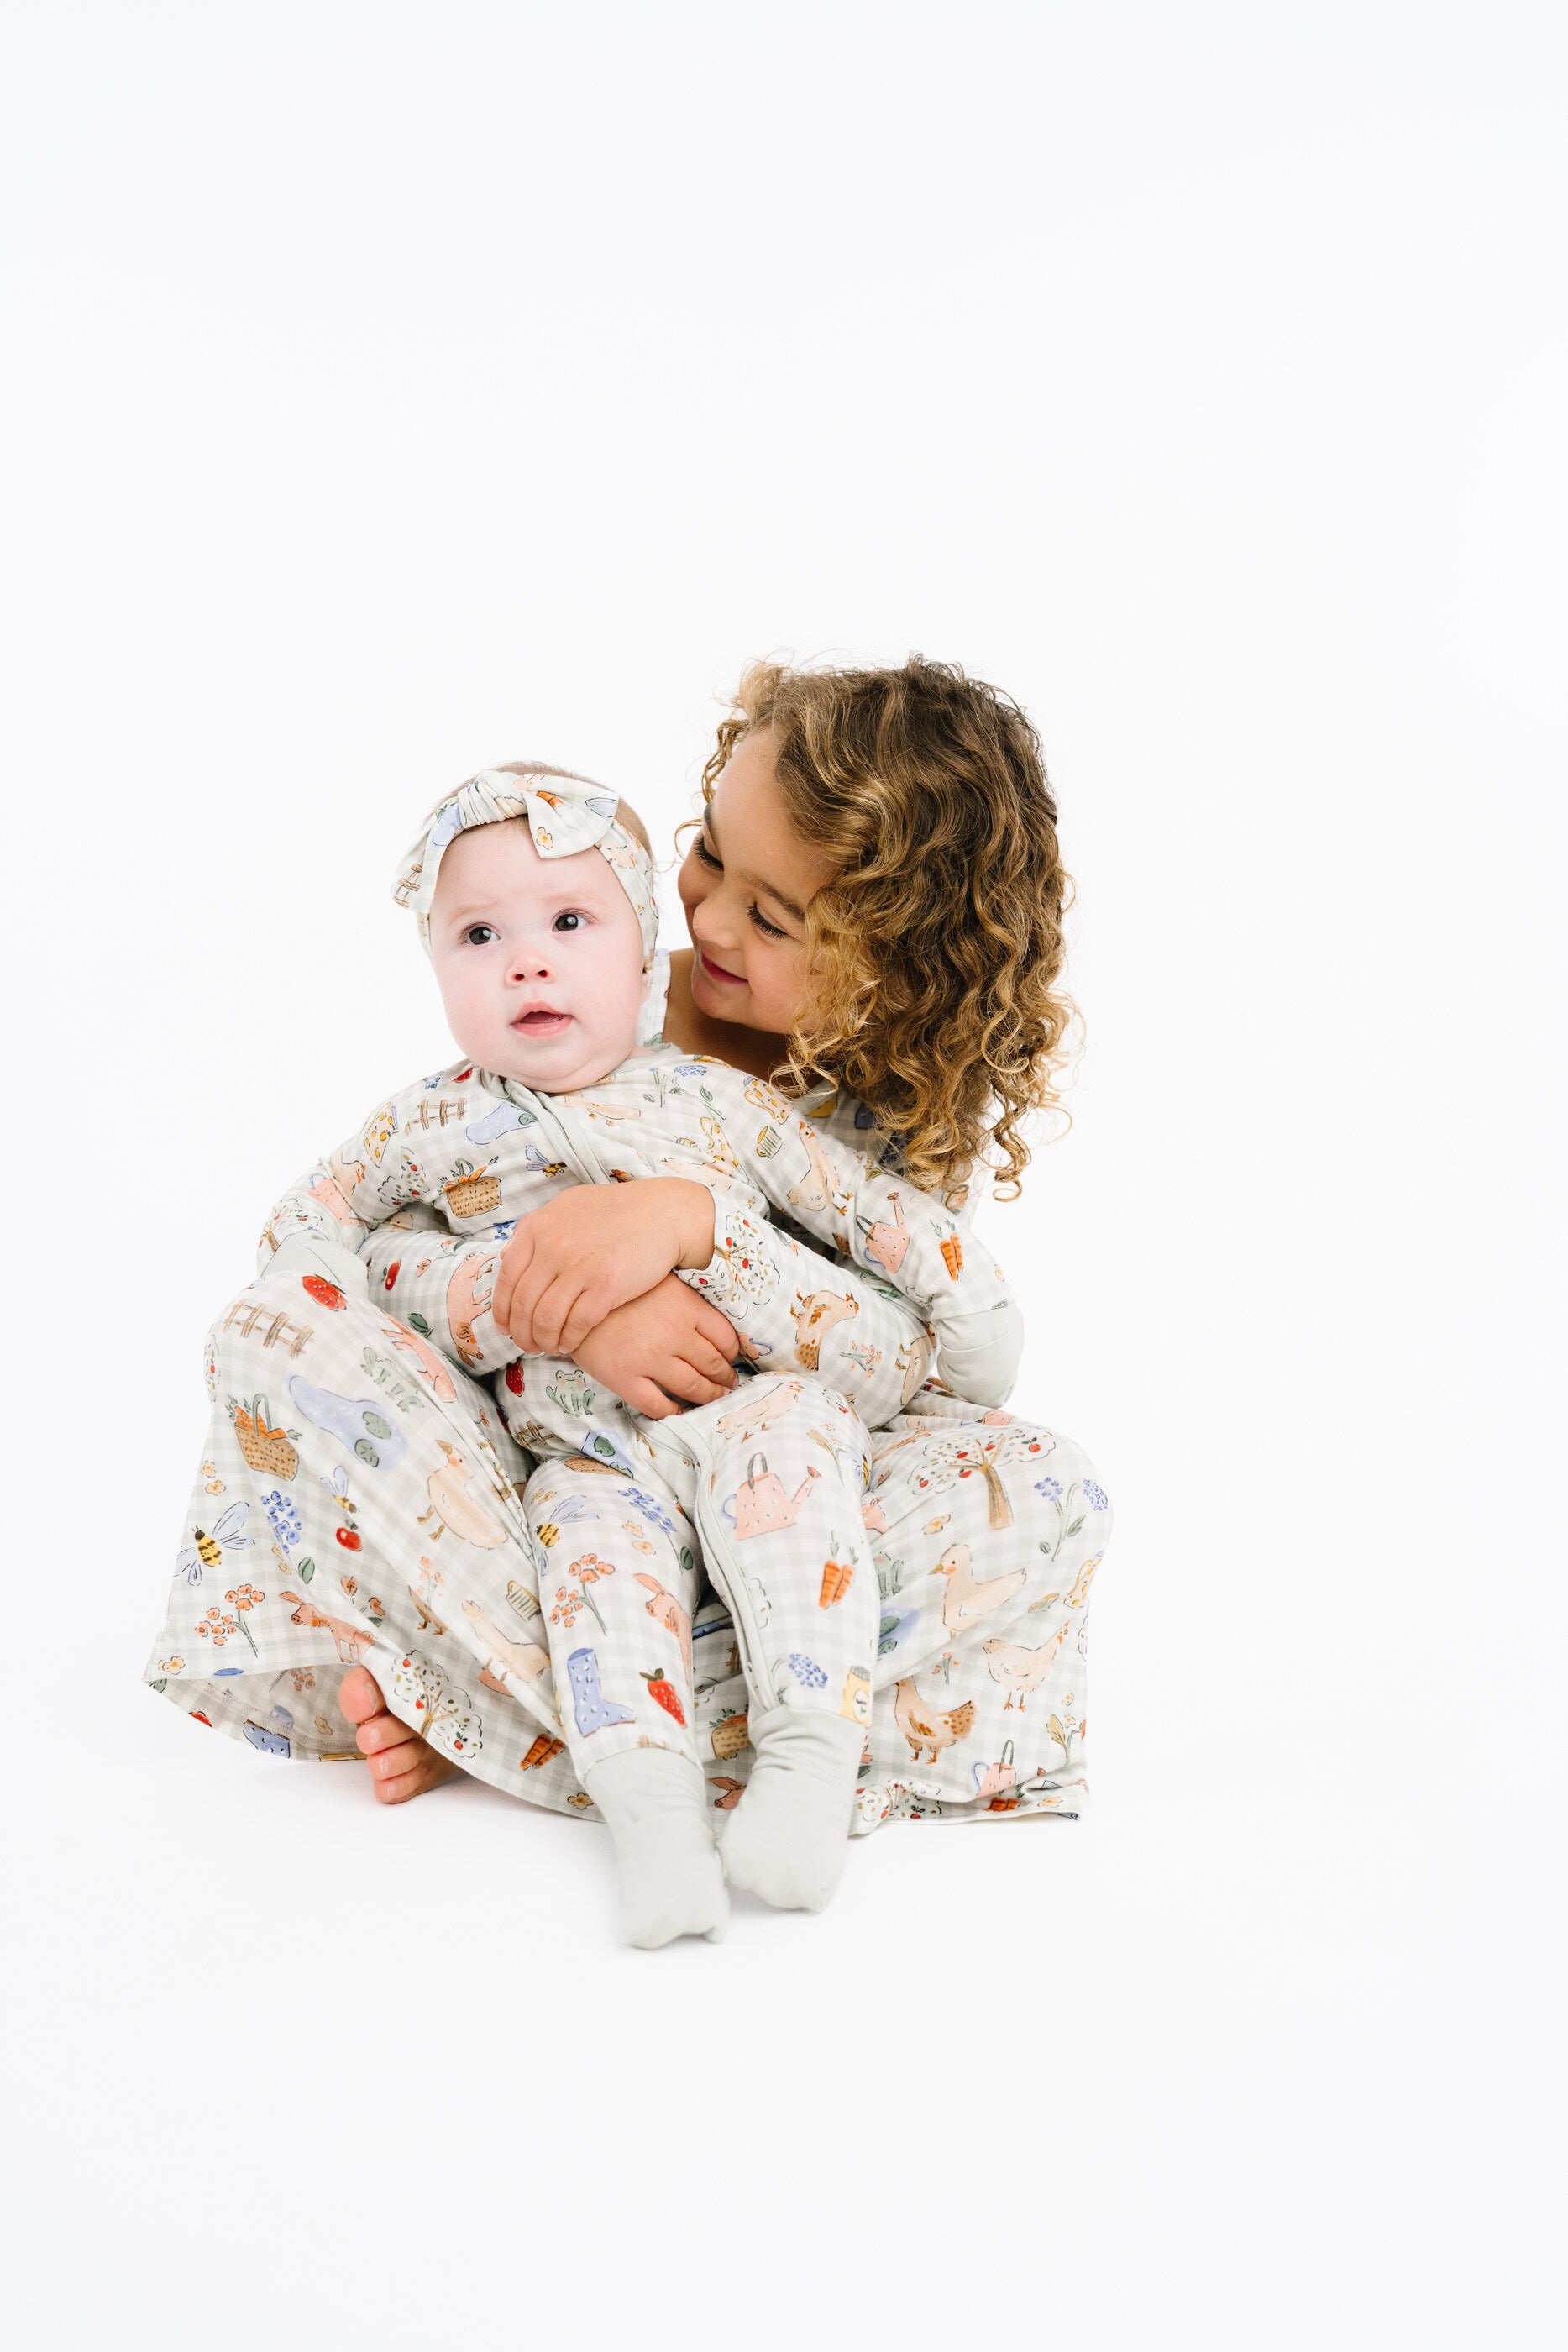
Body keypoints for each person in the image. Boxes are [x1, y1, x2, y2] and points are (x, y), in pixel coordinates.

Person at [145, 656, 1111, 1944]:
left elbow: (899, 1372)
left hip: (778, 1496)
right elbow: (371, 1255)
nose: (707, 917)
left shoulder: (882, 1128)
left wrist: (703, 1229)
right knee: (279, 1340)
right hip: (547, 1463)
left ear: (891, 973)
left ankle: (493, 1705)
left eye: (774, 920)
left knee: (1039, 1489)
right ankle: (561, 1695)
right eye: (709, 854)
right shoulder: (586, 979)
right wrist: (549, 1300)